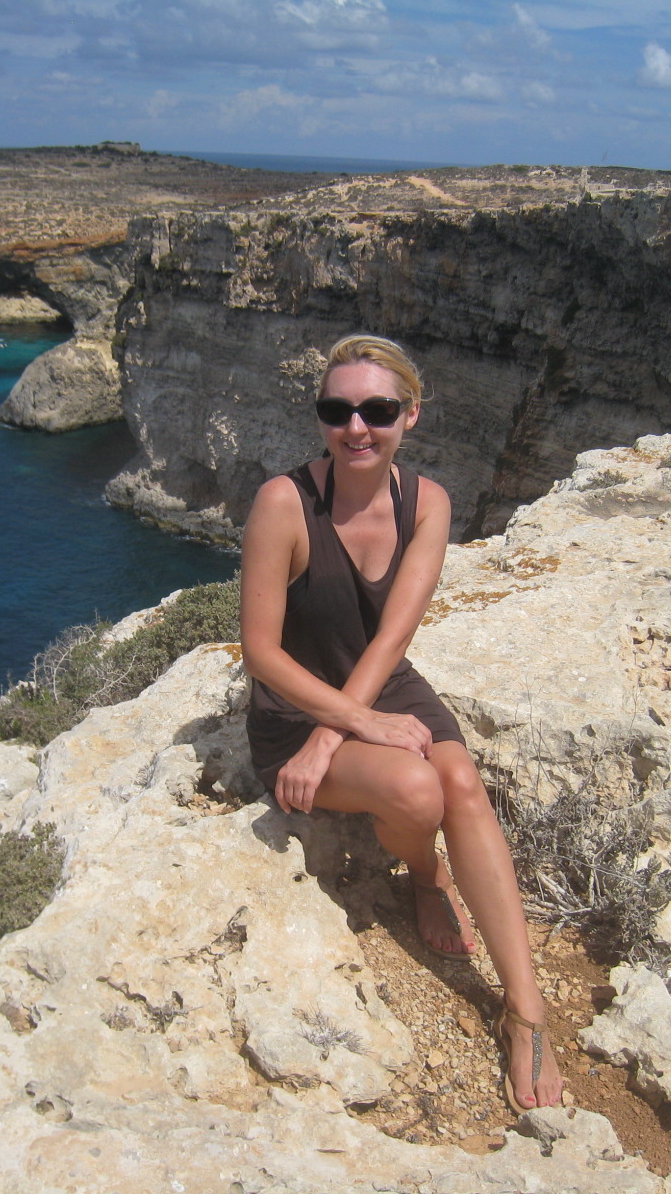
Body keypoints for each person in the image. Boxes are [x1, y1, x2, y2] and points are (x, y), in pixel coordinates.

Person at [239, 333, 563, 1113]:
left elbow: (392, 638)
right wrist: (336, 726)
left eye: (377, 411)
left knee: (461, 782)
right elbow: (260, 652)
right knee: (418, 793)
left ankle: (526, 1012)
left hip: (381, 685)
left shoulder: (428, 503)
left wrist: (349, 728)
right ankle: (426, 874)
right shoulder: (285, 502)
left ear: (409, 415)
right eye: (338, 410)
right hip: (296, 709)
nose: (356, 428)